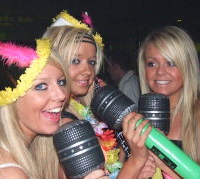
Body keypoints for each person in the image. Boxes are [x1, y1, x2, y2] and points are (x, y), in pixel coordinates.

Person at [42, 11, 157, 179]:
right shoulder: (66, 125)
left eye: (92, 62)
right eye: (75, 60)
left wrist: (129, 169)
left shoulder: (86, 112)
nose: (88, 70)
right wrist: (138, 160)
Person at [0, 39, 109, 179]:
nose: (61, 95)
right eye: (41, 86)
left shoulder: (4, 149)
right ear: (11, 98)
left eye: (61, 82)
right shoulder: (7, 174)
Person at [138, 26, 200, 178]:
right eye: (152, 64)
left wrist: (164, 160)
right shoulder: (137, 117)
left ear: (187, 66)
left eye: (171, 63)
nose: (160, 71)